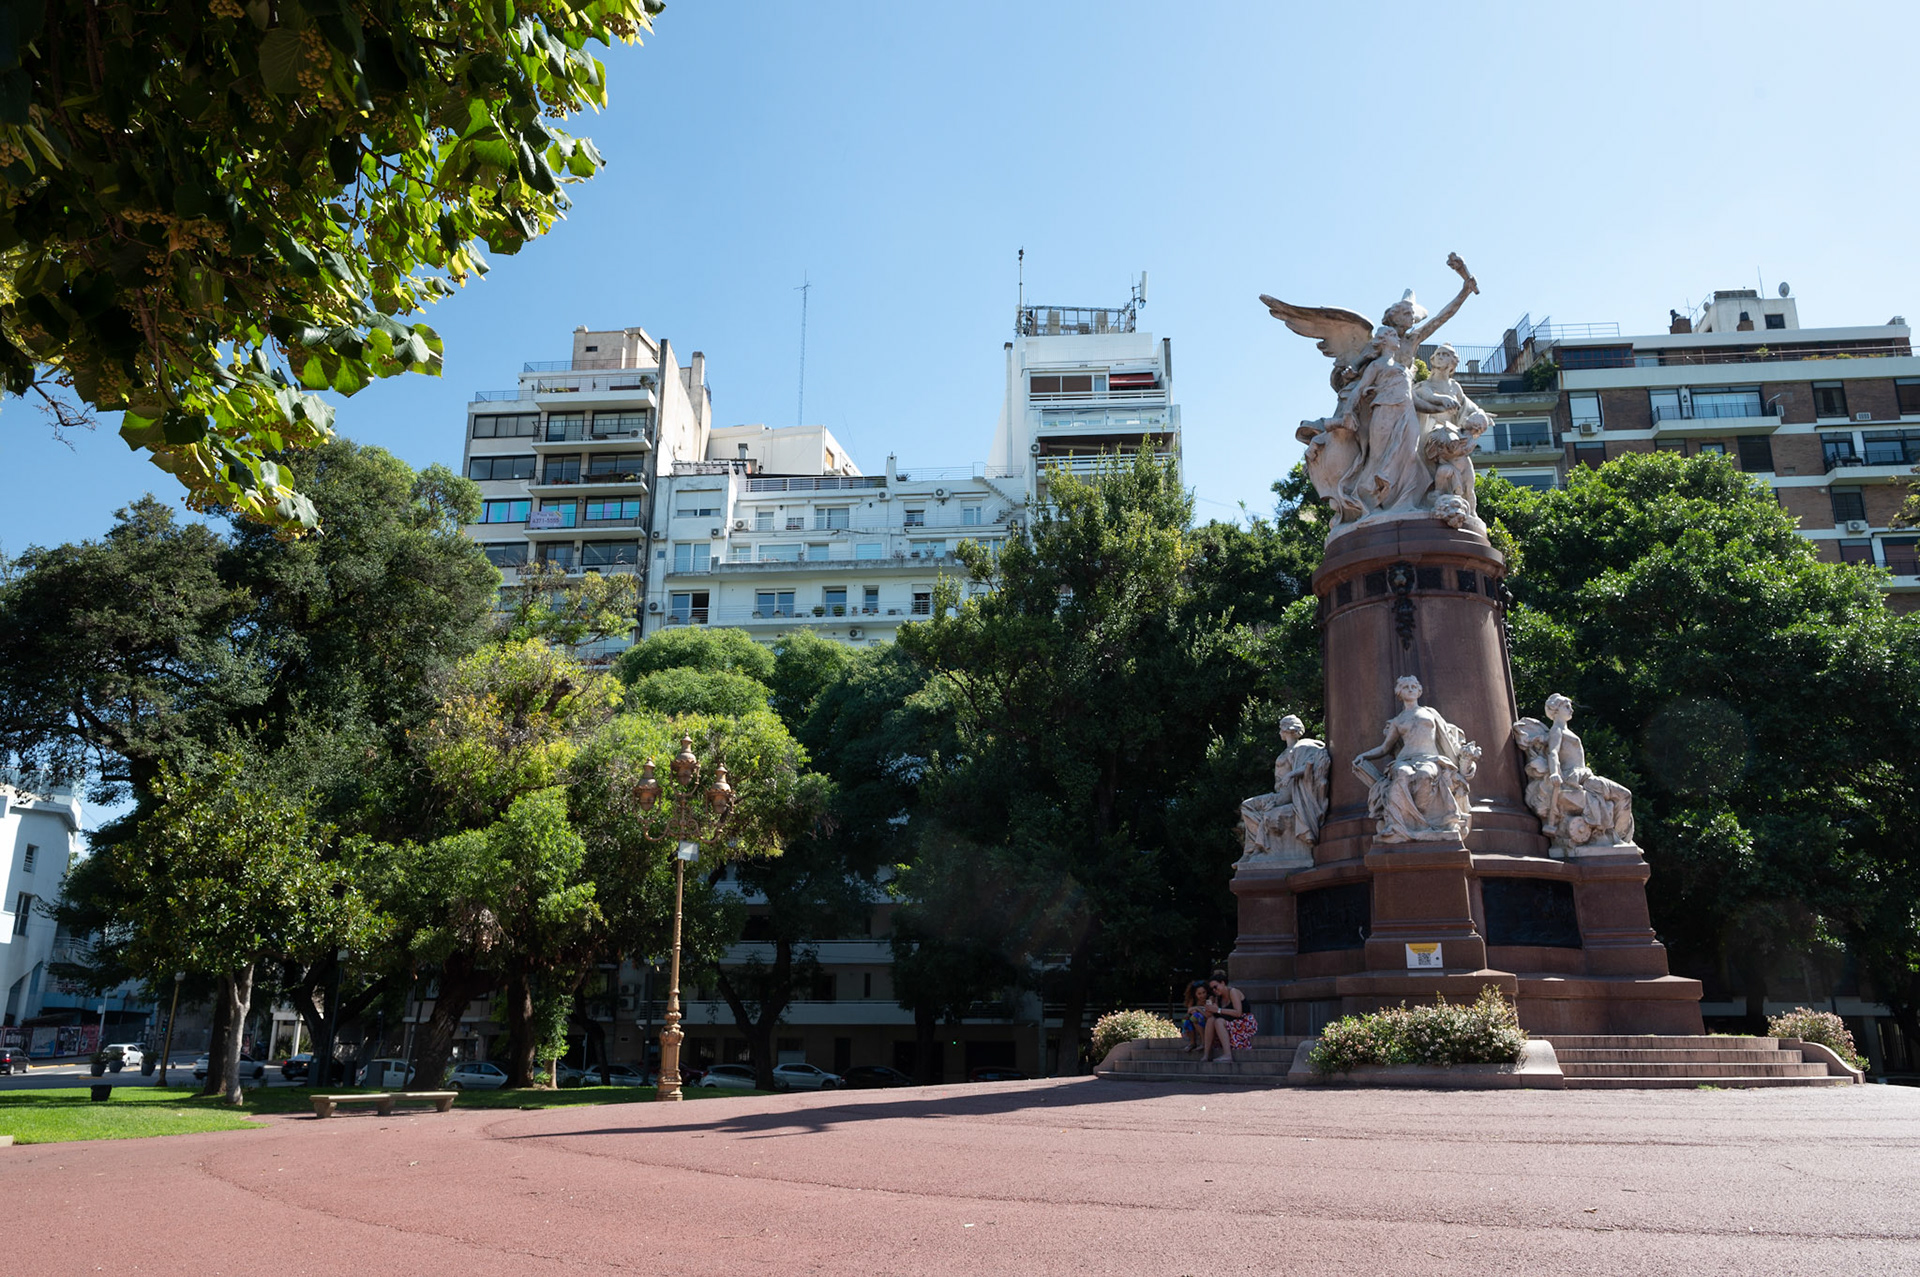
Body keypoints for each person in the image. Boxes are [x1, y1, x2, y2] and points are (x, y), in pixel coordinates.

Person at [1200, 969, 1258, 1064]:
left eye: (1215, 987)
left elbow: (1238, 1013)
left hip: (1243, 1022)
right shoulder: (1217, 997)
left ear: (1222, 983)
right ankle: (1206, 1054)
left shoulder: (1233, 992)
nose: (1214, 990)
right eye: (1212, 989)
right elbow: (1210, 1015)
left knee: (1218, 1021)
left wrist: (1218, 1010)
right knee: (1211, 1020)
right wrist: (1209, 1007)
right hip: (1228, 1022)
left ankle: (1228, 1055)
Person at [1178, 979, 1210, 1053]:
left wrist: (1198, 1009)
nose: (1202, 995)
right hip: (1195, 1020)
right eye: (1199, 994)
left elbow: (1208, 1015)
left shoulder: (1209, 1000)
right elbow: (1189, 1011)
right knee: (1187, 1020)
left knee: (1195, 1017)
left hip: (1207, 1020)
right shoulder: (1193, 1001)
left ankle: (1203, 1042)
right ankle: (1192, 1042)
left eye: (1204, 992)